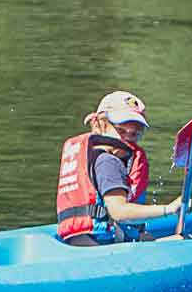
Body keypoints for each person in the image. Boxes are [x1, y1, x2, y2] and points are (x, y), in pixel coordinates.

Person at [56, 91, 184, 245]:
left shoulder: (98, 156)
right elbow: (119, 212)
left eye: (134, 134)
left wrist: (158, 241)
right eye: (121, 131)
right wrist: (168, 209)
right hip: (97, 247)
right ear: (98, 125)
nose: (128, 139)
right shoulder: (108, 162)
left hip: (80, 240)